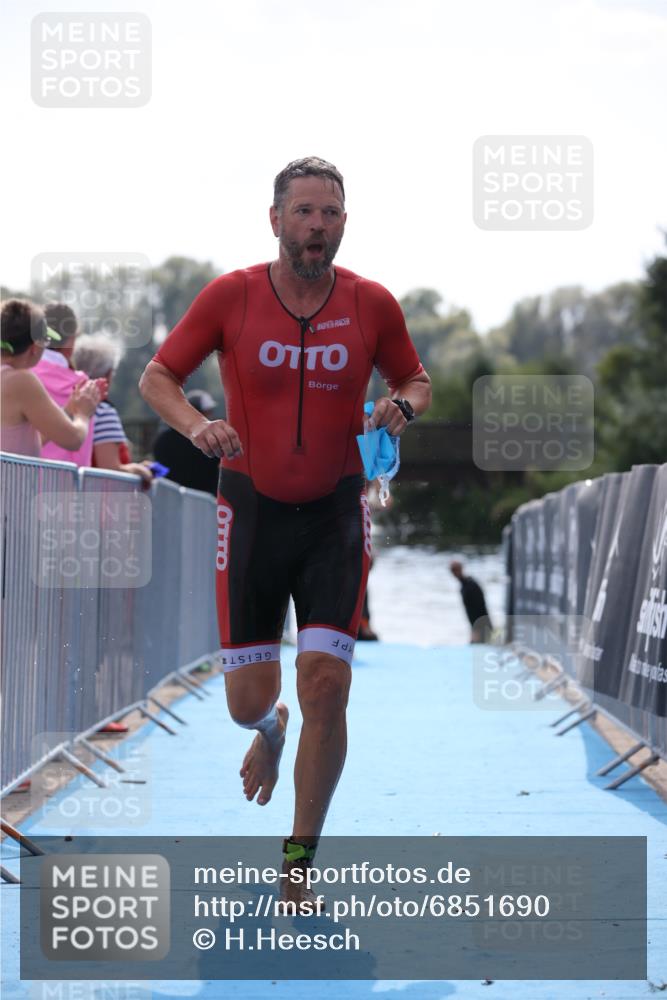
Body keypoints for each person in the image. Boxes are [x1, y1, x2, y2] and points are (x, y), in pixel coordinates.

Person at [139, 157, 431, 907]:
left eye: (330, 213)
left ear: (342, 223)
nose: (316, 226)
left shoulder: (370, 303)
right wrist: (199, 426)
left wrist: (401, 408)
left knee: (328, 685)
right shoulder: (231, 296)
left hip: (336, 512)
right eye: (303, 211)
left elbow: (414, 378)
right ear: (275, 219)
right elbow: (157, 377)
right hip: (251, 515)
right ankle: (268, 729)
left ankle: (298, 861)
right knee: (245, 701)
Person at [1, 299, 100, 458]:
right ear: (34, 348)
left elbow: (19, 443)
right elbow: (73, 439)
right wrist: (82, 413)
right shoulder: (21, 380)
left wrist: (67, 411)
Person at [72, 332, 154, 487]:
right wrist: (140, 471)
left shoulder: (70, 403)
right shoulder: (103, 411)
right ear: (108, 374)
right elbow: (109, 468)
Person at [32, 303, 102, 467]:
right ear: (71, 340)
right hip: (69, 486)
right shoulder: (85, 387)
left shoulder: (21, 375)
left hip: (20, 484)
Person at [153, 389, 220, 495]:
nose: (210, 416)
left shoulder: (164, 437)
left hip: (174, 498)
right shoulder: (209, 440)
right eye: (207, 412)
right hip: (198, 501)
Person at [449, 560, 493, 643]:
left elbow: (480, 609)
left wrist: (477, 631)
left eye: (455, 570)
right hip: (476, 627)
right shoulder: (464, 585)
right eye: (452, 571)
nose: (453, 573)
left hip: (482, 628)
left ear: (461, 569)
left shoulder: (471, 586)